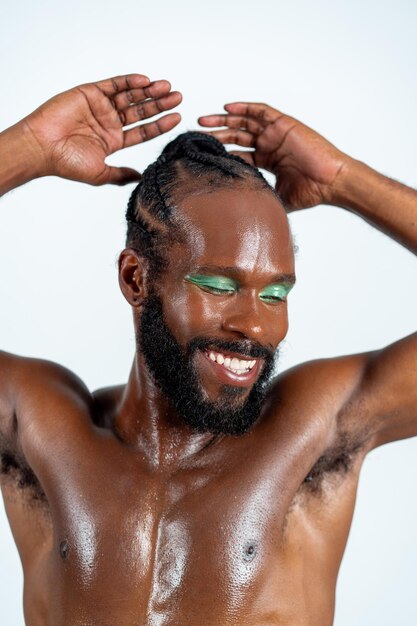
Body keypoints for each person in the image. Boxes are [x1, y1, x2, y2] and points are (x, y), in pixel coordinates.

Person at [0, 72, 415, 626]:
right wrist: (26, 150)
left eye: (276, 293)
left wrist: (344, 180)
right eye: (219, 287)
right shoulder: (42, 428)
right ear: (135, 280)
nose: (256, 327)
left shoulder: (312, 430)